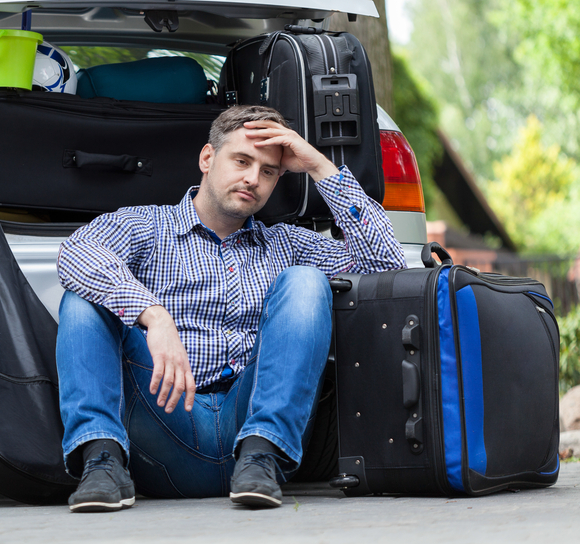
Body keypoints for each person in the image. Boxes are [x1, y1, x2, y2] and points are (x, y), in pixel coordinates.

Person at [56, 105, 407, 512]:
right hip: (165, 425)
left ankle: (263, 452)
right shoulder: (146, 226)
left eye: (269, 171)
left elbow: (387, 270)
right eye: (241, 160)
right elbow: (76, 253)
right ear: (208, 158)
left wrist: (316, 164)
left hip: (255, 435)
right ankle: (101, 463)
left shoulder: (290, 245)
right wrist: (153, 315)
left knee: (305, 280)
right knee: (83, 297)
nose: (253, 179)